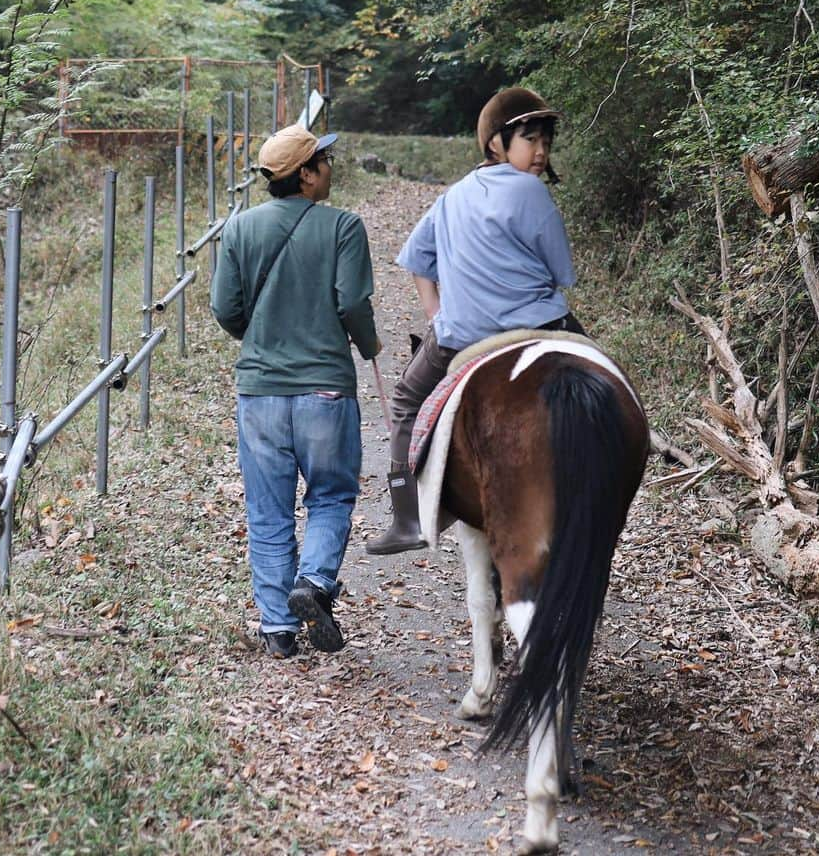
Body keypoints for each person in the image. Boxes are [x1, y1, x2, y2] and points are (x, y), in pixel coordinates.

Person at [366, 88, 585, 556]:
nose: (541, 151)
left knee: (407, 399)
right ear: (496, 144)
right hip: (541, 328)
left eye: (546, 140)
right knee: (601, 381)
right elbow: (563, 273)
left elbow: (416, 260)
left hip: (460, 337)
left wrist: (437, 315)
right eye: (530, 139)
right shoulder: (532, 191)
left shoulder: (450, 197)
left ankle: (407, 518)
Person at [211, 123, 380, 657]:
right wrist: (370, 346)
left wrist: (258, 339)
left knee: (268, 509)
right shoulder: (344, 228)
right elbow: (352, 303)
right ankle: (314, 582)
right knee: (330, 496)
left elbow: (224, 308)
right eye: (324, 161)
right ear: (305, 174)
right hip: (326, 389)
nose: (331, 168)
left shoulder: (238, 230)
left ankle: (279, 630)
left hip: (259, 392)